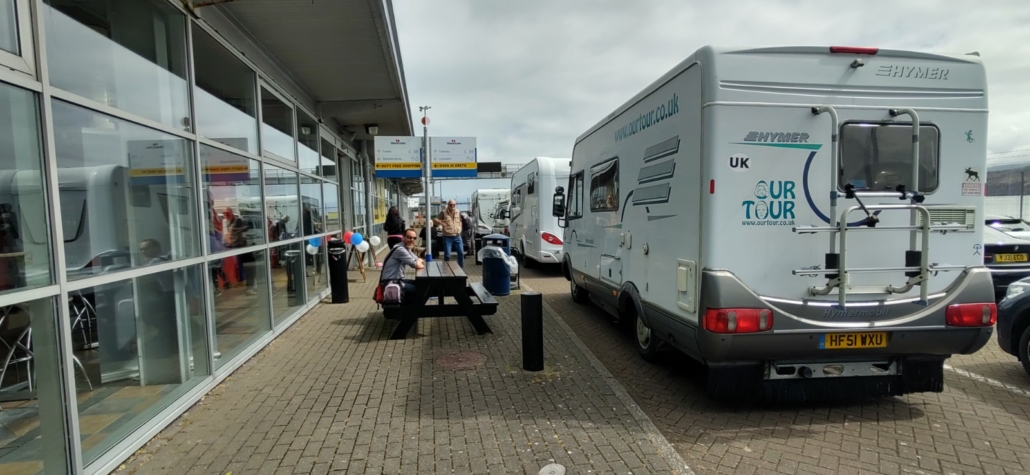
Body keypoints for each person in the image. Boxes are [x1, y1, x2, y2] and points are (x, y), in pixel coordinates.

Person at [381, 228, 424, 304]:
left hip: (398, 280)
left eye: (414, 238)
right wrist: (419, 260)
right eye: (409, 237)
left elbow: (417, 260)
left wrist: (419, 260)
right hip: (391, 282)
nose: (412, 240)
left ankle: (412, 307)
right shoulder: (400, 249)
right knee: (420, 290)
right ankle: (412, 309)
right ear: (403, 237)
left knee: (421, 284)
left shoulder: (406, 247)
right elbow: (416, 264)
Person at [432, 200, 465, 267]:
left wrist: (460, 227)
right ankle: (447, 268)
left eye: (453, 205)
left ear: (455, 205)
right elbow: (435, 220)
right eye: (450, 205)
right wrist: (442, 223)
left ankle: (461, 268)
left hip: (457, 236)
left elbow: (460, 221)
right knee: (447, 254)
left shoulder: (458, 212)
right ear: (448, 205)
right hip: (447, 236)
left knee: (461, 252)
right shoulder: (443, 212)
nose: (452, 206)